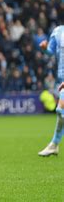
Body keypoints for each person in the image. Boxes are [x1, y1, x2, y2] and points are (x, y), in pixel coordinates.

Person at [38, 27, 64, 156]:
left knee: (61, 111)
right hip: (62, 80)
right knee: (61, 112)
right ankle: (54, 144)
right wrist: (44, 48)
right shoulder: (57, 31)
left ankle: (54, 144)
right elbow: (50, 52)